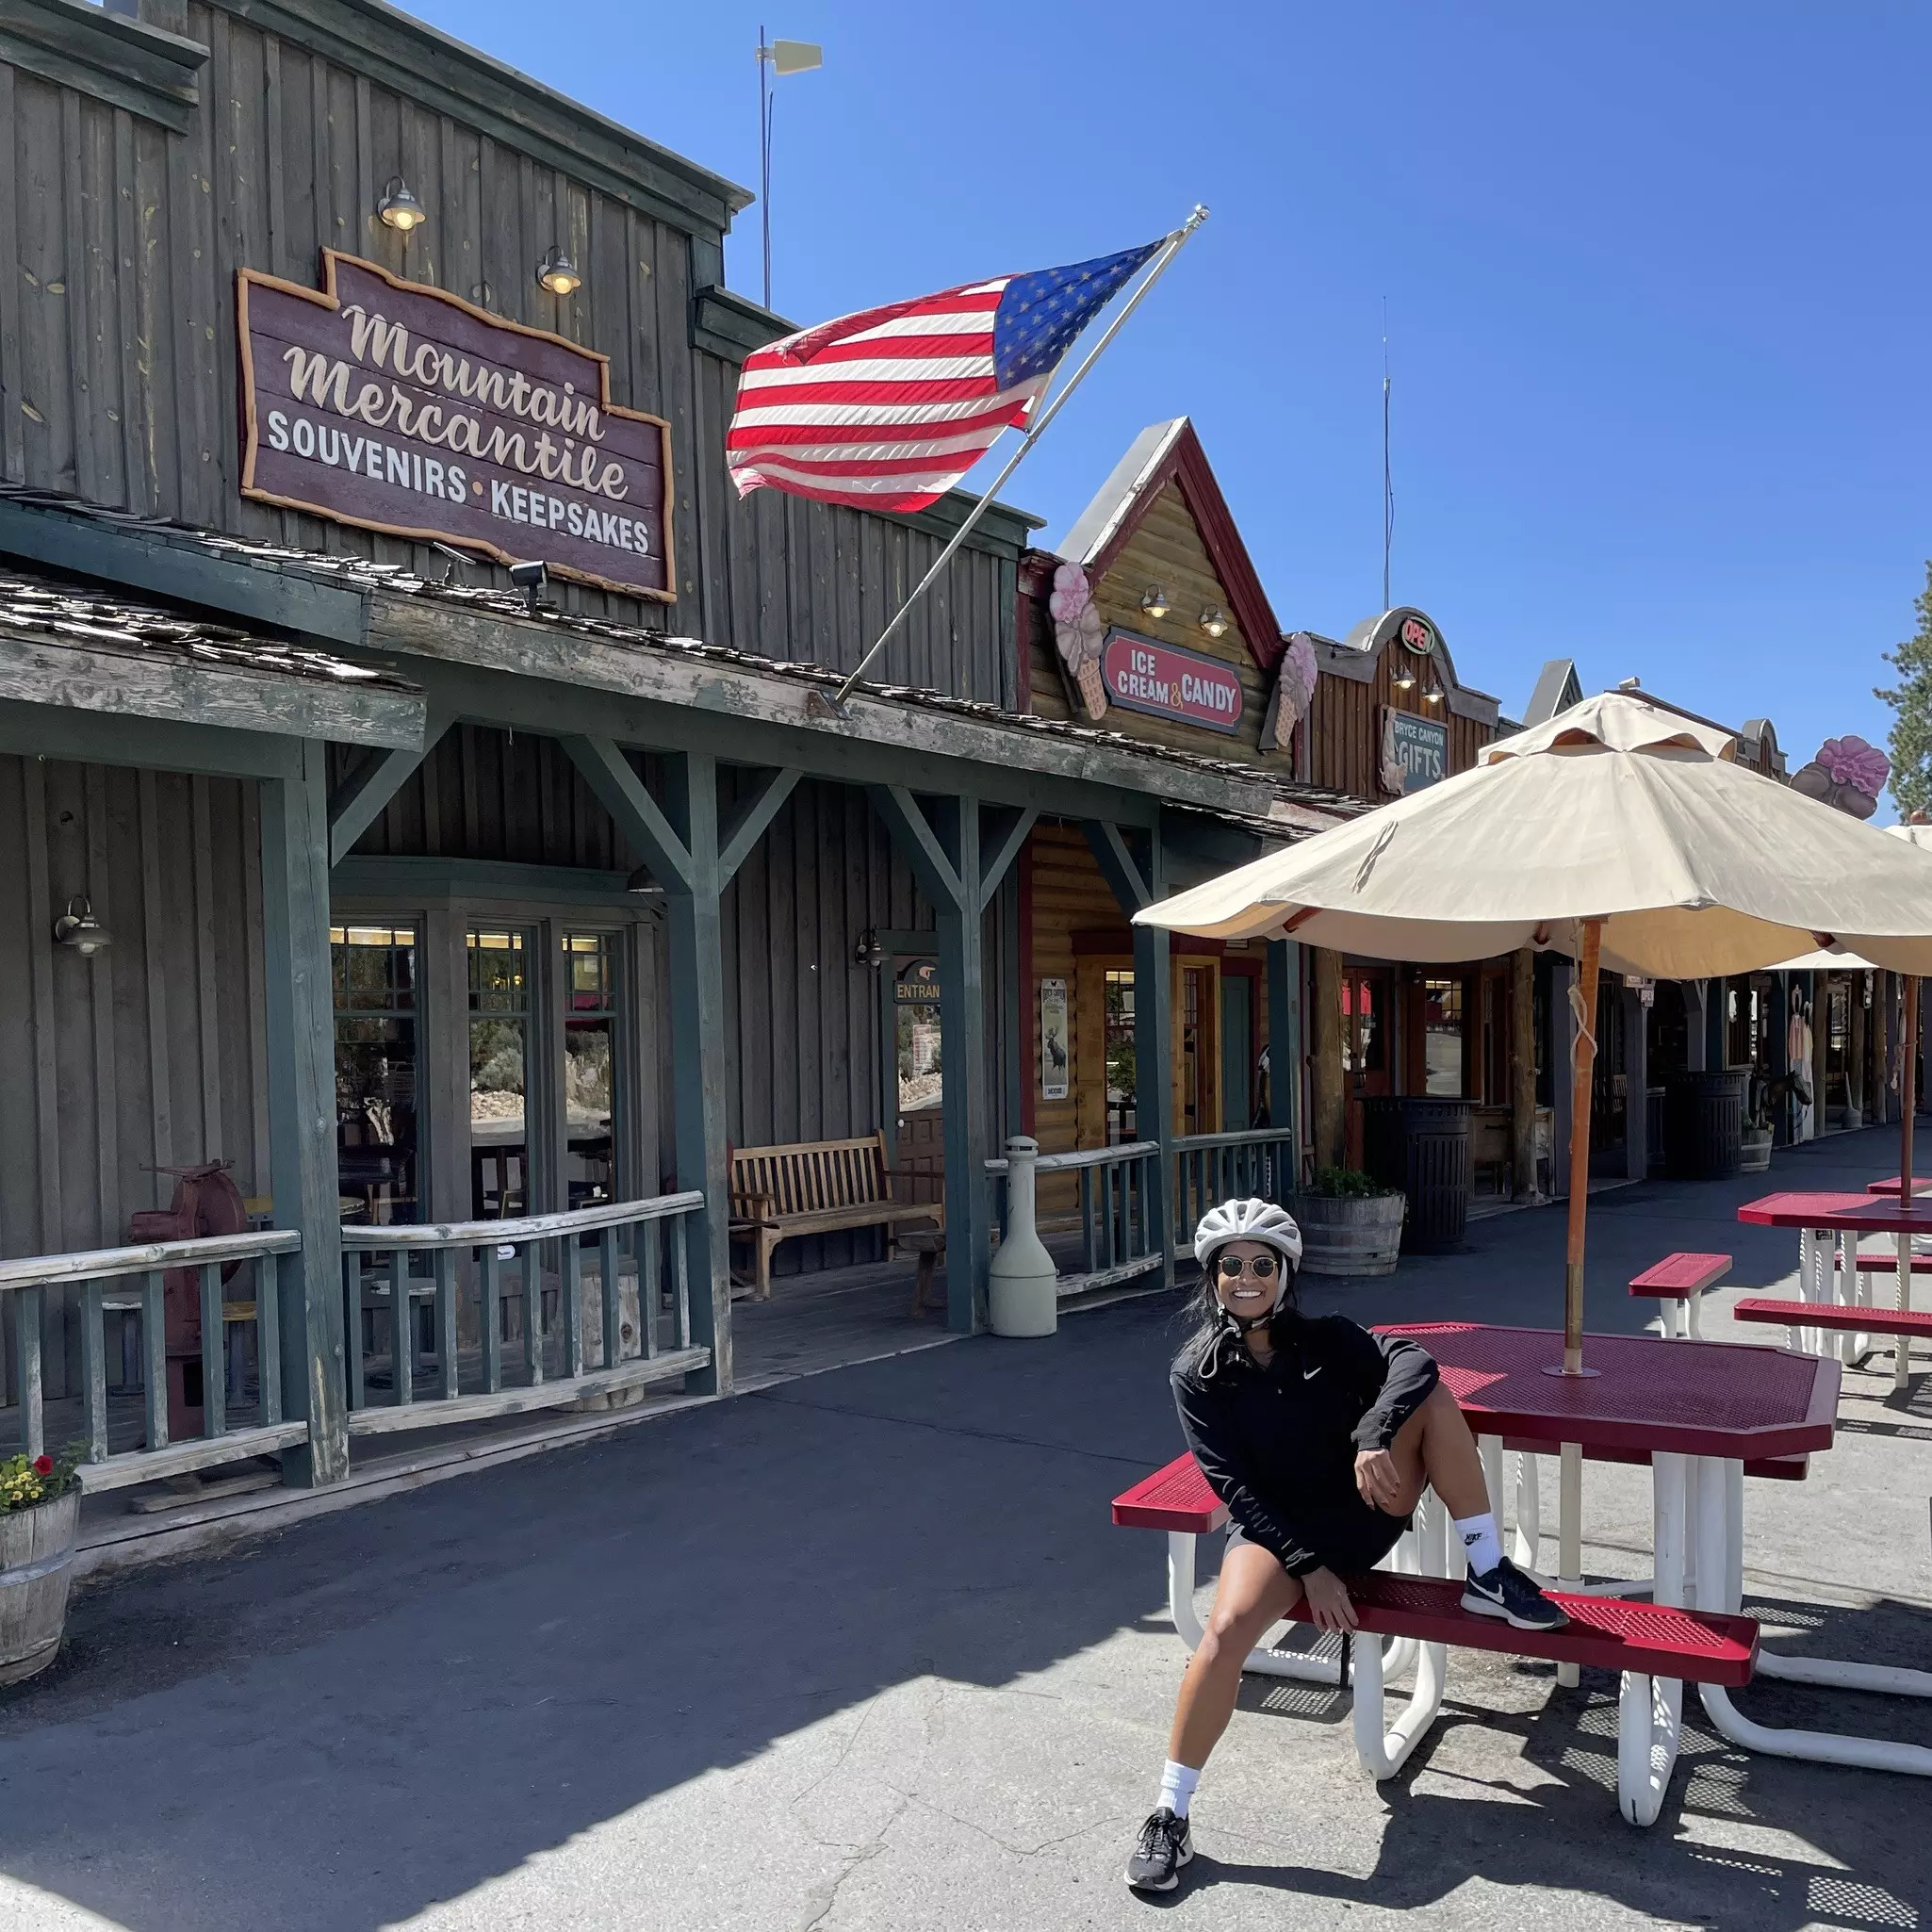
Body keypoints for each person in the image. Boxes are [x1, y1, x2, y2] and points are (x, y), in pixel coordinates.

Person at [1125, 1199, 1567, 1895]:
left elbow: (1413, 1358)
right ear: (1212, 1277)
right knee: (1225, 1631)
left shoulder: (1327, 1337)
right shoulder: (1197, 1372)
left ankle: (1487, 1569)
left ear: (1285, 1274)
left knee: (1432, 1398)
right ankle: (1169, 1813)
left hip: (1362, 1509)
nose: (1247, 1278)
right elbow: (1233, 1487)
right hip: (1279, 1531)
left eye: (1262, 1265)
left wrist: (1372, 1433)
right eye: (1231, 1265)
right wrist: (1309, 1568)